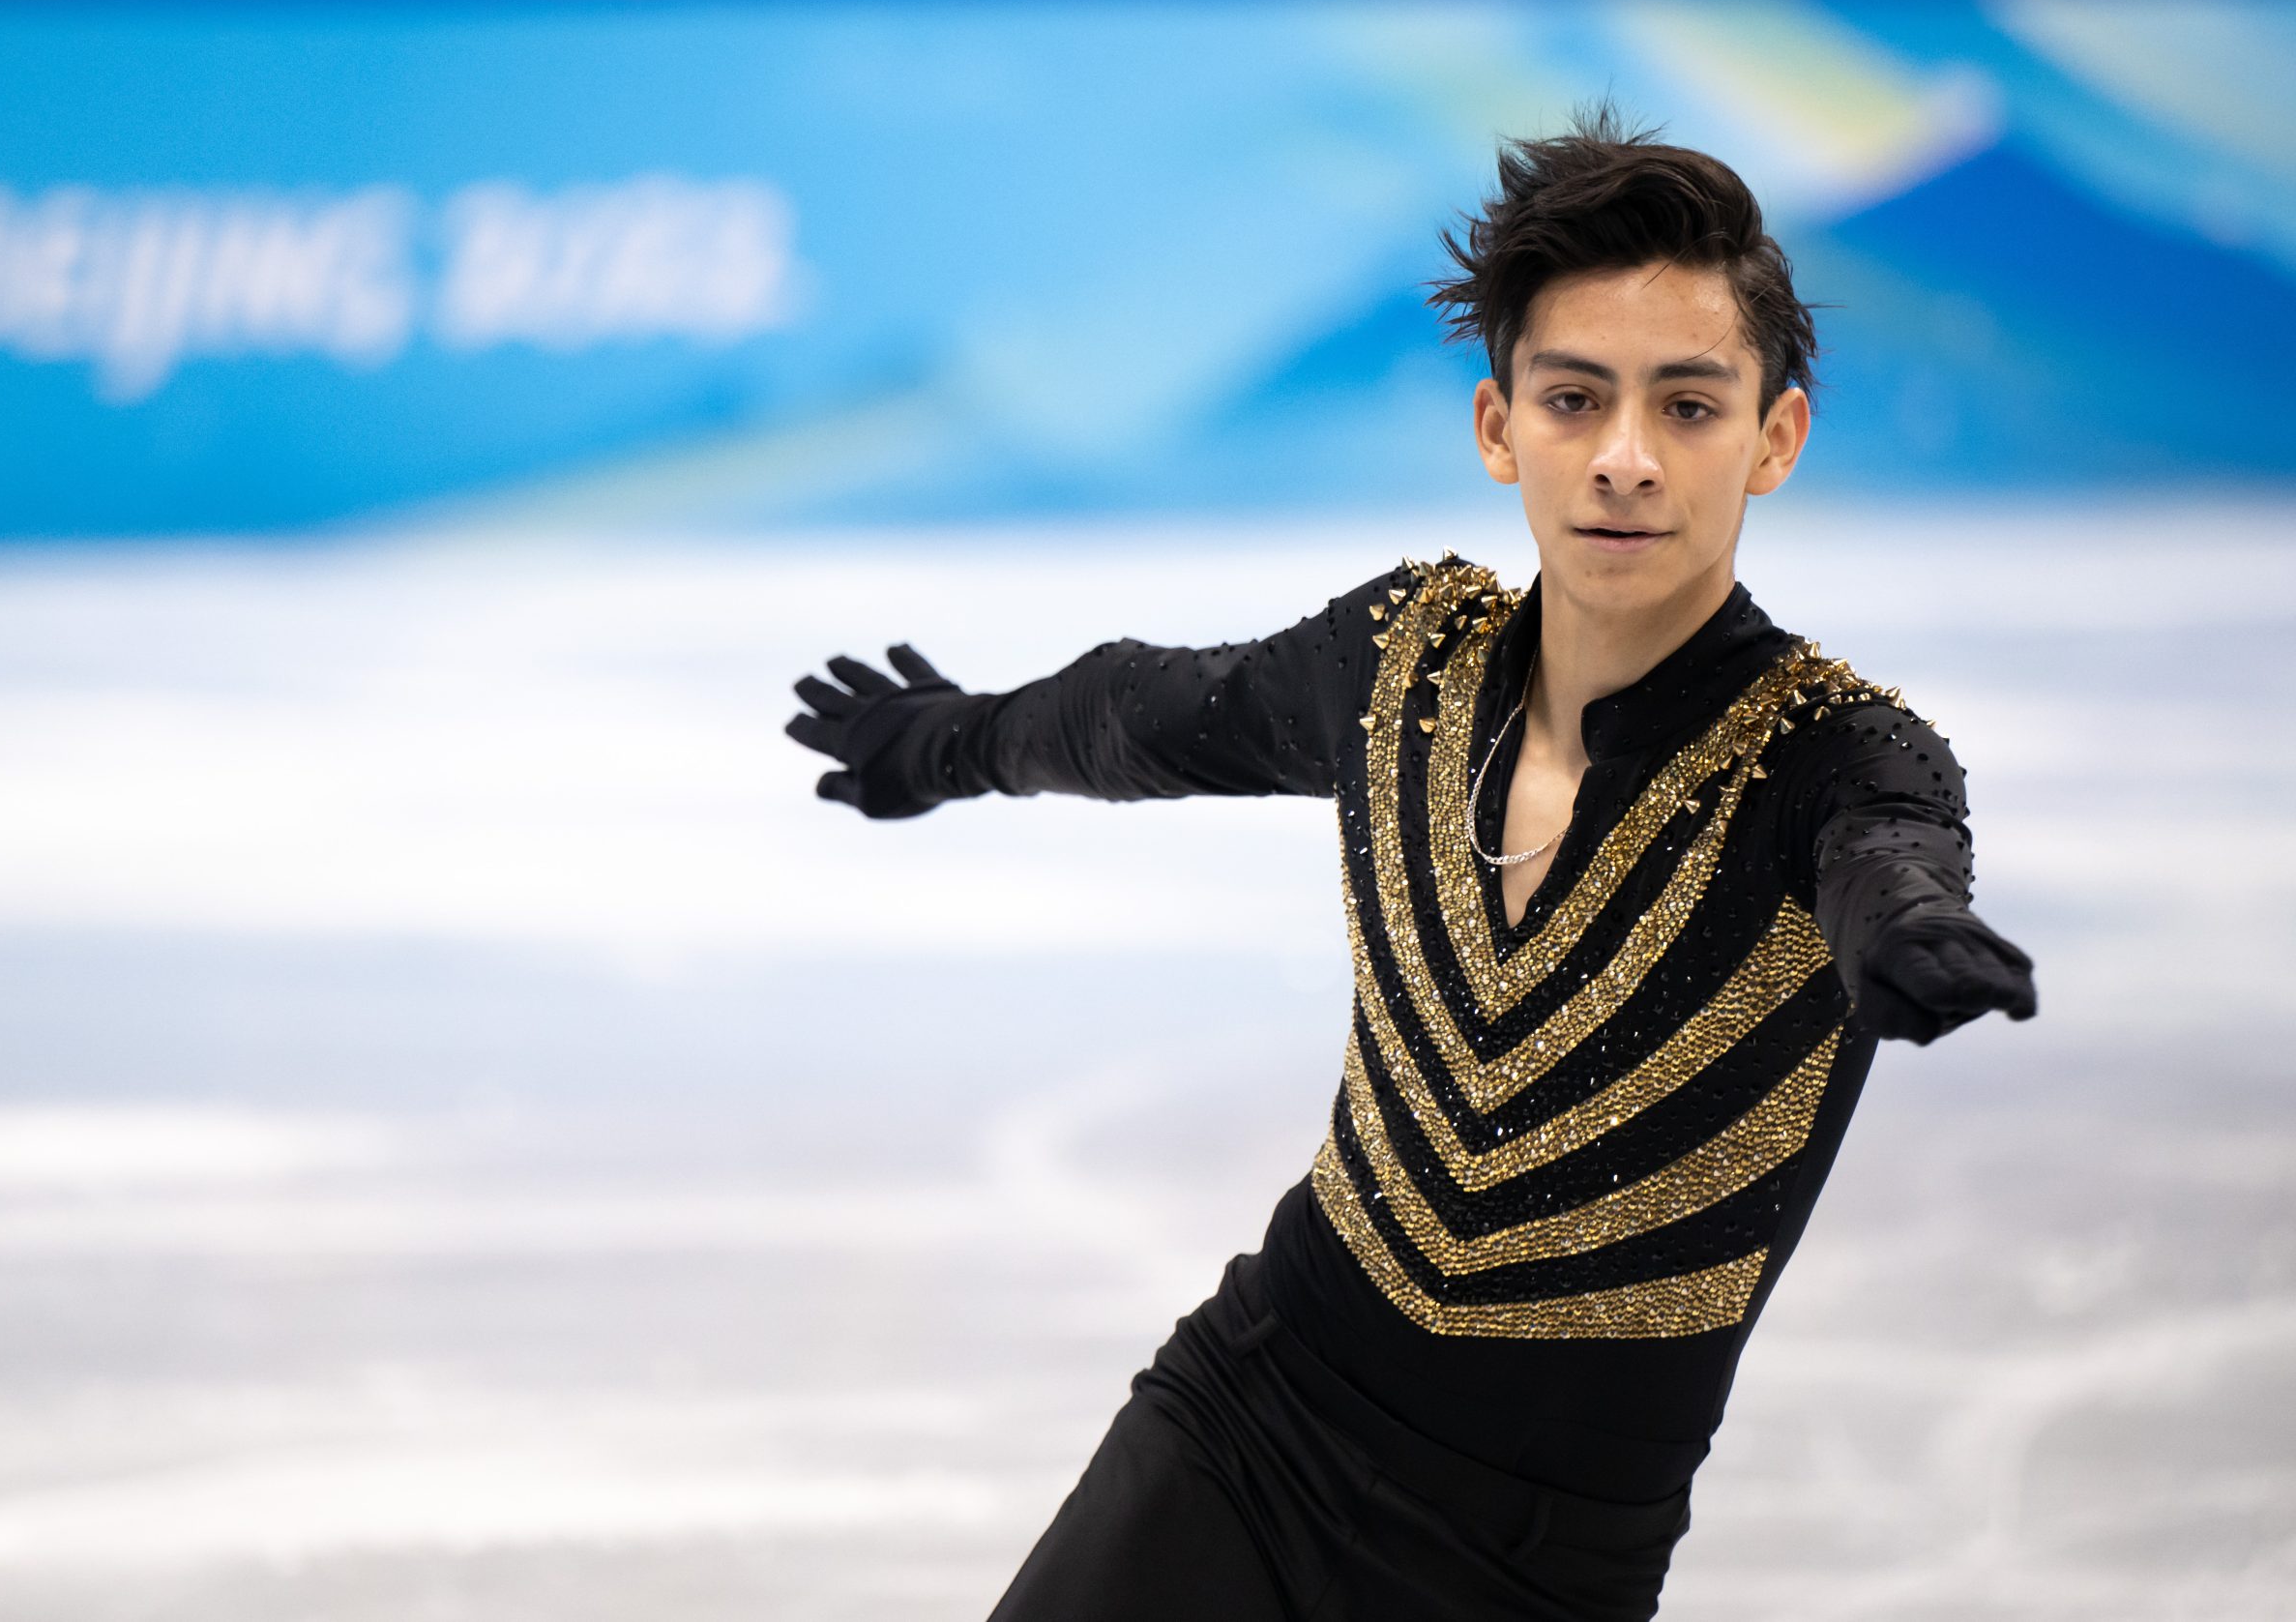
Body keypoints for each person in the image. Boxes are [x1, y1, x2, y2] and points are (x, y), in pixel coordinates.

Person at [783, 108, 2038, 1622]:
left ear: (1775, 438)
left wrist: (1902, 922)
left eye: (1688, 407)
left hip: (1531, 1562)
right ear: (1500, 427)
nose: (1625, 459)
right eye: (1574, 399)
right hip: (1249, 1422)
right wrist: (950, 741)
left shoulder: (1832, 752)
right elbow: (1144, 711)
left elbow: (1885, 849)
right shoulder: (1405, 663)